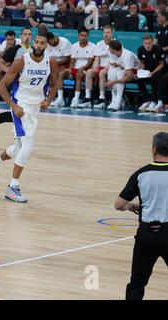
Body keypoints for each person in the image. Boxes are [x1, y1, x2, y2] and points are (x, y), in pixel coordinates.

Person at [0, 32, 57, 203]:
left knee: (18, 148)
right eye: (36, 42)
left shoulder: (50, 61)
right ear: (33, 44)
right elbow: (1, 86)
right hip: (21, 106)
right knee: (28, 147)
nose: (38, 45)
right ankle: (12, 187)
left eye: (42, 43)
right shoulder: (21, 61)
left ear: (46, 46)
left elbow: (54, 84)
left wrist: (49, 100)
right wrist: (14, 106)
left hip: (35, 108)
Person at [115, 131, 168, 300]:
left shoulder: (141, 174)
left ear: (154, 150)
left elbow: (119, 205)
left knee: (137, 283)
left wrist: (132, 206)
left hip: (146, 235)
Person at [0, 28, 33, 134]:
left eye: (29, 34)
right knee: (20, 111)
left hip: (29, 85)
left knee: (24, 112)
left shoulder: (34, 50)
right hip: (17, 84)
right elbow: (0, 64)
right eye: (25, 34)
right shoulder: (14, 50)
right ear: (20, 36)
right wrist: (12, 72)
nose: (27, 36)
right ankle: (19, 136)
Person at [78, 25, 114, 109]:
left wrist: (106, 69)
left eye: (108, 32)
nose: (106, 34)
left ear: (112, 33)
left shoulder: (116, 43)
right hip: (101, 67)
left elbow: (116, 60)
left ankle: (102, 99)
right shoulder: (99, 44)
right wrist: (94, 68)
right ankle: (87, 99)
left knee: (101, 73)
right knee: (89, 72)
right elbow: (97, 59)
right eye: (104, 32)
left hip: (112, 67)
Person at [105, 39, 139, 111]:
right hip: (123, 69)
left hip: (136, 72)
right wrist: (109, 79)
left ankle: (118, 101)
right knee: (112, 72)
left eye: (110, 48)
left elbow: (128, 77)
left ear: (114, 50)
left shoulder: (128, 55)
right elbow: (112, 67)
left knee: (120, 74)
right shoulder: (112, 53)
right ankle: (113, 100)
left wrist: (113, 82)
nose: (108, 49)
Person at [137, 35, 166, 112]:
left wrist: (153, 72)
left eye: (149, 43)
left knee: (154, 78)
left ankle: (153, 101)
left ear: (152, 42)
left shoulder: (159, 50)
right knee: (138, 79)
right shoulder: (140, 50)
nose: (147, 45)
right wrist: (141, 71)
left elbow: (162, 64)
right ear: (143, 43)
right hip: (148, 70)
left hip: (159, 70)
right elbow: (142, 63)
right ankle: (146, 100)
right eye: (145, 43)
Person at [68, 27, 95, 108]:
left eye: (85, 35)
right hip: (75, 68)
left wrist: (83, 68)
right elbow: (72, 61)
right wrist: (69, 70)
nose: (83, 37)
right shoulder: (74, 46)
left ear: (88, 36)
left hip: (86, 69)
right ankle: (60, 98)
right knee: (61, 73)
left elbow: (90, 62)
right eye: (82, 35)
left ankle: (76, 98)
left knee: (79, 75)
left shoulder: (92, 46)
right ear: (78, 36)